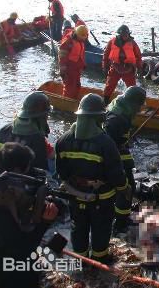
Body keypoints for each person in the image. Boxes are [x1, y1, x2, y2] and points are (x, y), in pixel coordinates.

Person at [56, 93, 130, 263]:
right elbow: (116, 175)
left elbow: (61, 174)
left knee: (78, 227)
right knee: (101, 228)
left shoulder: (62, 141)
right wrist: (125, 189)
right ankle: (99, 259)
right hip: (101, 199)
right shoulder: (106, 143)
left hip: (75, 196)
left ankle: (81, 260)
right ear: (99, 118)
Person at [0, 143, 59, 288]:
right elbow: (23, 252)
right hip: (2, 278)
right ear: (18, 171)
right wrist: (44, 223)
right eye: (28, 168)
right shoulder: (1, 216)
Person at [104, 86, 146, 234]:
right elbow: (109, 145)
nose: (139, 109)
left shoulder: (120, 105)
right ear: (133, 103)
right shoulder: (117, 119)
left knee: (125, 187)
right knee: (127, 188)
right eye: (139, 106)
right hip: (114, 156)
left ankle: (120, 216)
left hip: (119, 149)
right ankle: (120, 223)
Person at [0, 91, 53, 171]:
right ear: (42, 117)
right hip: (22, 180)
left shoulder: (4, 129)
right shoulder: (38, 139)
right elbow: (41, 170)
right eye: (47, 115)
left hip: (0, 175)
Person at [102, 25, 143, 105]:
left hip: (128, 68)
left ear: (128, 34)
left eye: (126, 34)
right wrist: (104, 66)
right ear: (120, 34)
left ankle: (133, 104)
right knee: (109, 85)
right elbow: (106, 54)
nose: (125, 36)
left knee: (132, 88)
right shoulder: (112, 41)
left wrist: (140, 68)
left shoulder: (133, 43)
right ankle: (105, 101)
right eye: (123, 34)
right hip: (115, 66)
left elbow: (138, 56)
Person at [59, 25, 88, 99]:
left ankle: (74, 99)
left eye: (85, 37)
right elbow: (62, 56)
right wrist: (62, 70)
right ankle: (66, 101)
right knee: (69, 86)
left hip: (77, 68)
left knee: (77, 85)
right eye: (82, 37)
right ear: (77, 34)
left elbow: (81, 54)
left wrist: (83, 64)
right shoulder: (68, 42)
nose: (84, 39)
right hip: (69, 68)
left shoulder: (80, 41)